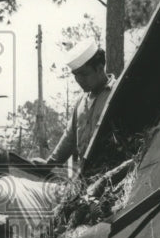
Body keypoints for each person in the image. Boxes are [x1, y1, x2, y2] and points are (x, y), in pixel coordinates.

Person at [33, 39, 113, 177]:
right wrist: (49, 164)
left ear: (100, 68)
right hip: (86, 176)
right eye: (76, 75)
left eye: (84, 74)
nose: (79, 80)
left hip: (113, 174)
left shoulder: (116, 93)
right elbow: (70, 138)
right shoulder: (81, 102)